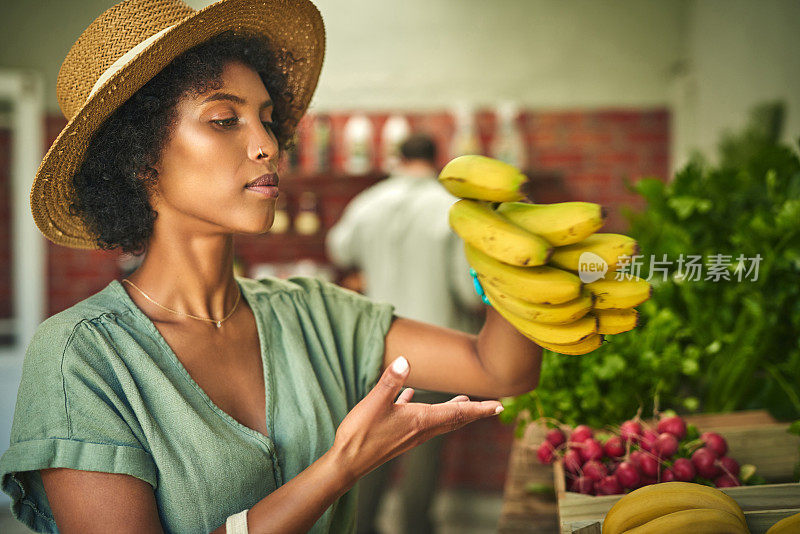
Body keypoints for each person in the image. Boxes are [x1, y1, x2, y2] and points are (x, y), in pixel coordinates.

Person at [0, 1, 543, 533]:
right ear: (140, 159)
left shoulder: (315, 314)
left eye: (267, 119)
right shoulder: (82, 357)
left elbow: (500, 369)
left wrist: (519, 265)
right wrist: (340, 468)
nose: (266, 145)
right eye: (223, 120)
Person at [326, 134, 483, 534]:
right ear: (437, 159)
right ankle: (417, 527)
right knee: (423, 456)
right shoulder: (451, 208)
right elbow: (469, 292)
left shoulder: (369, 201)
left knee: (371, 450)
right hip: (436, 350)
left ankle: (362, 528)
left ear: (398, 158)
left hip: (376, 347)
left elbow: (339, 250)